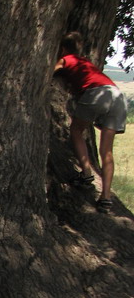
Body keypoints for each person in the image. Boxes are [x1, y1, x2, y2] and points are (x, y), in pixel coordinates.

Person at [54, 31, 127, 213]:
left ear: (63, 49)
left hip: (97, 94)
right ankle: (106, 197)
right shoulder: (86, 62)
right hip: (117, 96)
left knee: (76, 131)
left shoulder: (66, 59)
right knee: (107, 151)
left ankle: (86, 173)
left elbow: (49, 72)